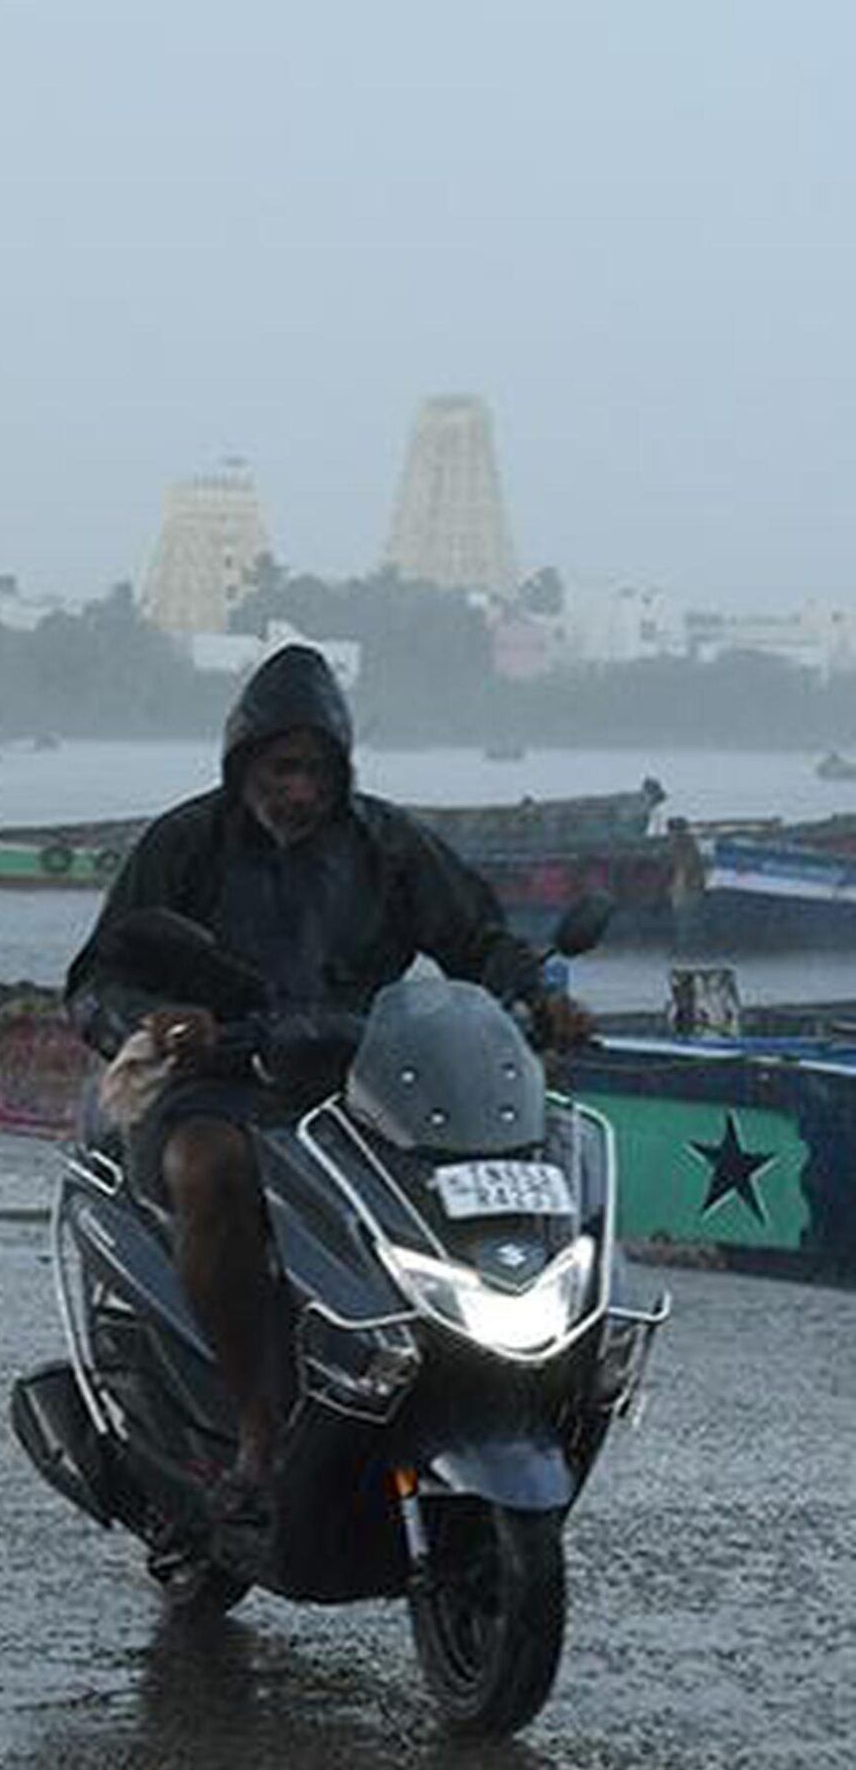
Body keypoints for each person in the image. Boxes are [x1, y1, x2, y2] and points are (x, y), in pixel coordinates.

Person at [64, 644, 592, 1518]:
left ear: (341, 769)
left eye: (314, 769)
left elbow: (478, 940)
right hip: (219, 1082)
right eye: (281, 767)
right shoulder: (185, 843)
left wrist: (540, 994)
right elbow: (96, 980)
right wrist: (154, 1024)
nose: (297, 789)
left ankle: (459, 1379)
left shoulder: (389, 844)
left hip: (361, 1082)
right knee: (211, 1170)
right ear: (244, 765)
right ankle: (257, 1424)